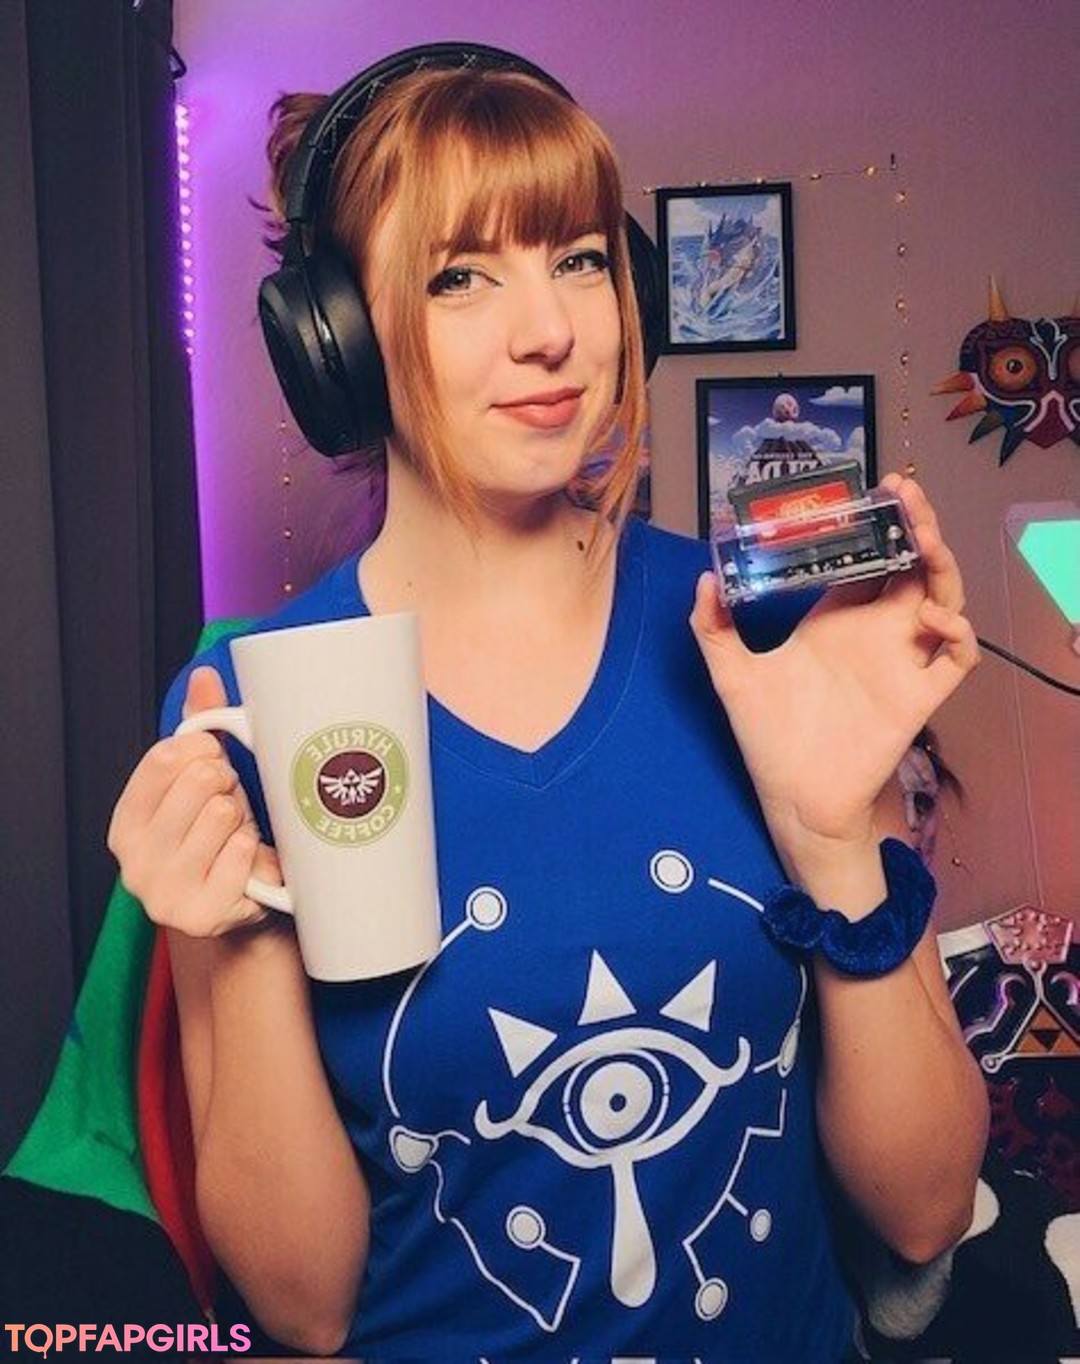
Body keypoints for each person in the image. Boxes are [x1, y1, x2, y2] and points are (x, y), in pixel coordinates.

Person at [107, 46, 989, 1360]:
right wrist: (225, 945)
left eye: (578, 259)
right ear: (333, 341)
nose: (550, 331)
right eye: (459, 277)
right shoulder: (249, 708)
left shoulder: (753, 632)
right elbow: (303, 1307)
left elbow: (923, 1212)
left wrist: (834, 837)